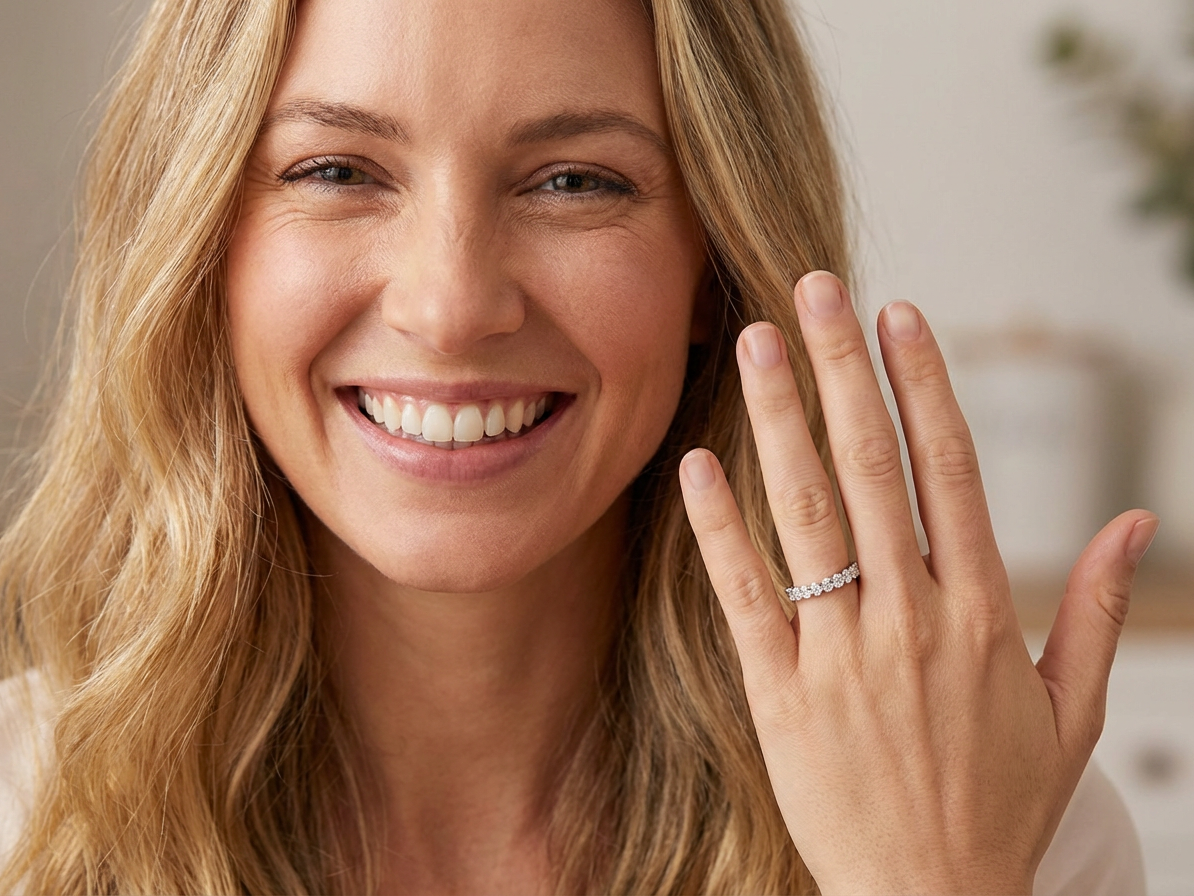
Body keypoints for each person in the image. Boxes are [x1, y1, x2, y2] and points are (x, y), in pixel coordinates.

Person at [0, 0, 1153, 892]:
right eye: (337, 170)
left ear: (715, 264)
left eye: (573, 181)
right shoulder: (20, 816)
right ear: (202, 241)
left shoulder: (990, 813)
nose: (451, 307)